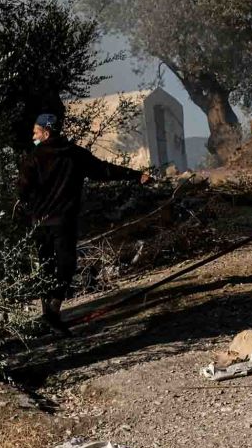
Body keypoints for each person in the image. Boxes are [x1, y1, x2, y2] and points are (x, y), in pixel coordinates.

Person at [17, 112, 152, 335]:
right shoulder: (75, 154)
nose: (33, 135)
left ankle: (50, 316)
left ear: (46, 132)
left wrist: (28, 209)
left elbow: (22, 189)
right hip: (63, 222)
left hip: (40, 224)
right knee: (66, 266)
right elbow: (104, 171)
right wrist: (135, 175)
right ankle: (53, 313)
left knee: (46, 268)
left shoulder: (33, 158)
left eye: (35, 132)